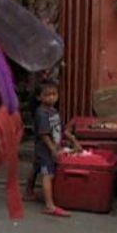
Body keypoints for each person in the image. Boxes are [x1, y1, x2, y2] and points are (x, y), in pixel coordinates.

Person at [24, 79, 82, 217]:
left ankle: (28, 192)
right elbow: (44, 135)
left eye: (54, 94)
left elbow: (62, 129)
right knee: (48, 174)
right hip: (45, 149)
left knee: (36, 167)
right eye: (47, 95)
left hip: (50, 147)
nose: (51, 97)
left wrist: (74, 141)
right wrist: (53, 150)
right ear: (39, 97)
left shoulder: (54, 111)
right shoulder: (41, 113)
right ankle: (50, 206)